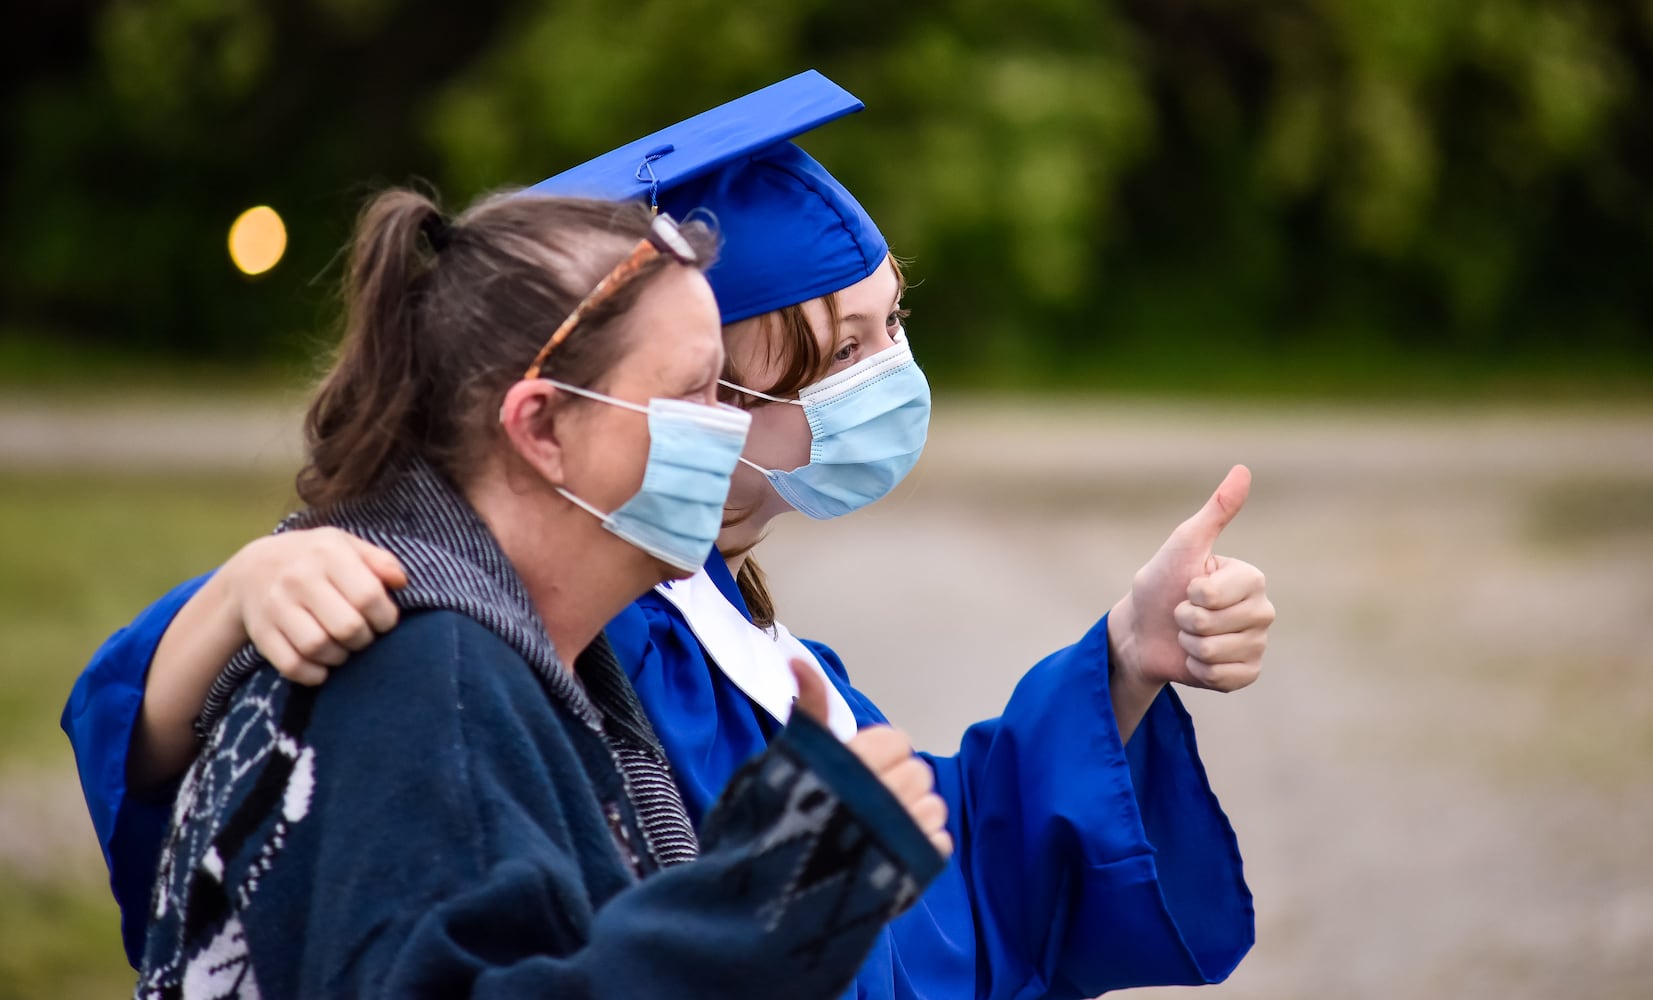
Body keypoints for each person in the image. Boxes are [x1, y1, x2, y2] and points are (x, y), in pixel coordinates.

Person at [66, 73, 1272, 998]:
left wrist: (1120, 659)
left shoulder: (662, 607)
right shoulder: (487, 648)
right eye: (837, 352)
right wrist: (235, 595)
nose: (892, 380)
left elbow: (915, 882)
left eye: (891, 328)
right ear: (543, 425)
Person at [116, 183, 949, 998]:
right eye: (697, 392)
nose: (728, 430)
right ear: (541, 426)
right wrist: (765, 910)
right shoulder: (426, 677)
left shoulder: (533, 654)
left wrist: (747, 854)